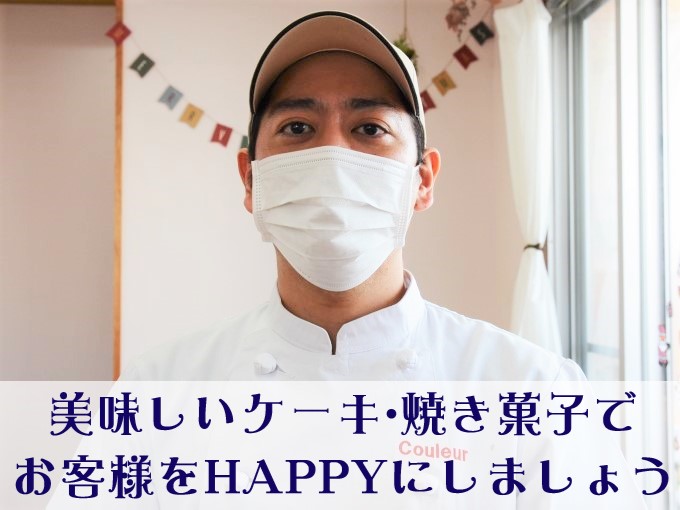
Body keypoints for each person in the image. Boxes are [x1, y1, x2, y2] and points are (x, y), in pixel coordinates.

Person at [122, 11, 581, 383]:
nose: (333, 156)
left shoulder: (534, 389)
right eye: (297, 127)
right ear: (251, 180)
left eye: (370, 129)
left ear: (422, 181)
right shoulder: (158, 390)